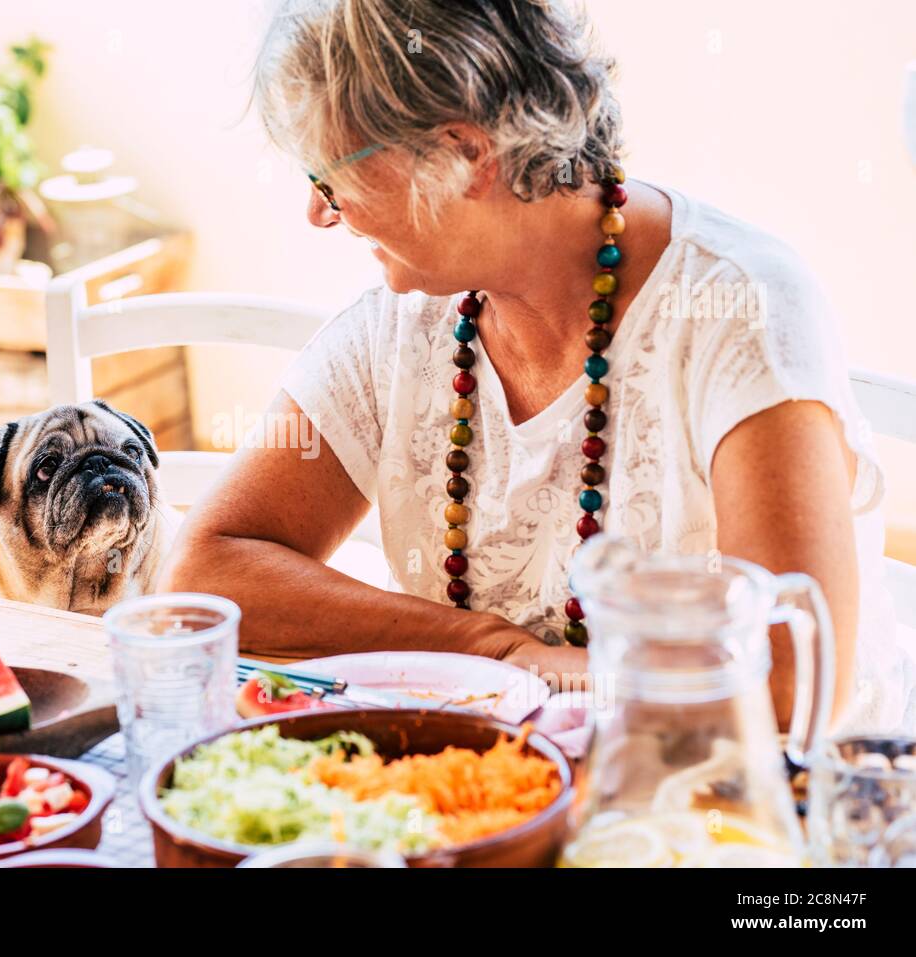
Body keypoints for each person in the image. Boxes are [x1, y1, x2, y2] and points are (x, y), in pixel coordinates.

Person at [160, 0, 912, 731]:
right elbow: (206, 569)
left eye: (330, 175)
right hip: (495, 803)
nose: (320, 211)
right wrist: (494, 649)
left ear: (464, 154)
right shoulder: (404, 323)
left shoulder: (739, 311)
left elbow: (790, 683)